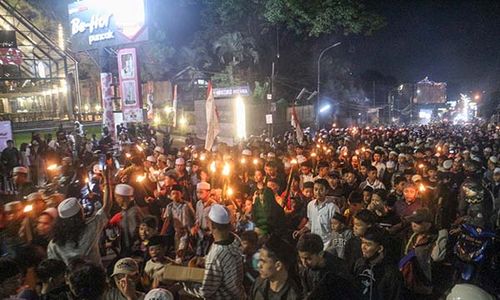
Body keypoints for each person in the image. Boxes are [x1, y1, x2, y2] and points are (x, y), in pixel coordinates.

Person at [47, 171, 112, 266]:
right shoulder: (91, 228)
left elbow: (54, 265)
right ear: (79, 215)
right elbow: (107, 206)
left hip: (73, 279)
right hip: (96, 276)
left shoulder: (54, 244)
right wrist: (107, 180)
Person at [183, 204, 246, 299]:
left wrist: (186, 284)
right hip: (240, 295)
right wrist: (205, 260)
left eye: (207, 221)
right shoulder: (235, 239)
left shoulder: (217, 254)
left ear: (211, 225)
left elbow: (206, 292)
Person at [297, 233, 359, 300]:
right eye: (301, 258)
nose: (304, 262)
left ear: (321, 254)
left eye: (308, 258)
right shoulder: (306, 270)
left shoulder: (338, 271)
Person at [353, 226, 403, 300]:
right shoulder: (360, 263)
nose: (363, 247)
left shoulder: (391, 273)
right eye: (363, 242)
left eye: (368, 244)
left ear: (380, 248)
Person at [250, 235, 302, 300]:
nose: (259, 265)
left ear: (278, 265)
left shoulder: (293, 296)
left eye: (263, 261)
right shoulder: (258, 284)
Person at [293, 179, 339, 249]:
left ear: (326, 191)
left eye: (321, 190)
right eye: (316, 189)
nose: (318, 192)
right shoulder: (310, 205)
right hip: (314, 243)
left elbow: (337, 229)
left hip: (327, 244)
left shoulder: (332, 208)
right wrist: (300, 231)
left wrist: (333, 247)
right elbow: (311, 223)